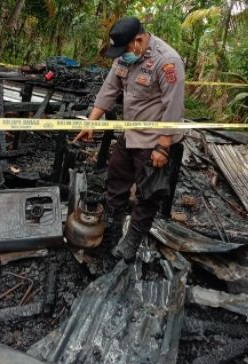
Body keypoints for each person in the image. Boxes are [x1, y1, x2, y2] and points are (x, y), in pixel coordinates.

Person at [73, 16, 185, 262]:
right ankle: (112, 229)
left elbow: (174, 107)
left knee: (148, 192)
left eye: (124, 50)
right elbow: (109, 89)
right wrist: (92, 121)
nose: (121, 56)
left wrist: (163, 147)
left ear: (139, 40)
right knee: (116, 177)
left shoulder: (167, 61)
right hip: (131, 133)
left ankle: (133, 239)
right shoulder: (124, 56)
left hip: (157, 138)